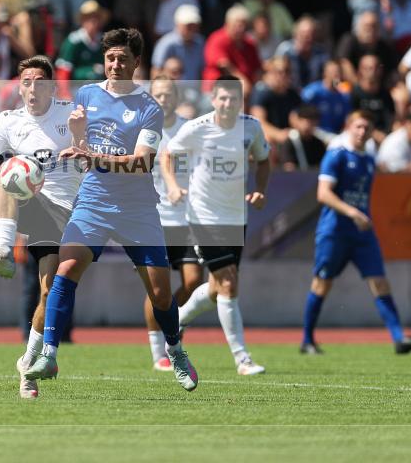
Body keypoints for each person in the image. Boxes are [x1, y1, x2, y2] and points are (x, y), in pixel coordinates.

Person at [24, 28, 199, 392]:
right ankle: (49, 354)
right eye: (110, 58)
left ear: (136, 63)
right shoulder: (87, 94)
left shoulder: (149, 108)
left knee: (161, 294)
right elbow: (79, 144)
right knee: (66, 268)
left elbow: (140, 163)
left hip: (137, 207)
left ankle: (177, 351)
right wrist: (75, 137)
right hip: (93, 199)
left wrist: (91, 154)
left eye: (123, 58)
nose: (115, 64)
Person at [0, 56, 82, 399]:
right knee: (9, 171)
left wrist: (84, 142)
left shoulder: (70, 113)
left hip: (67, 212)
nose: (31, 88)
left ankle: (27, 364)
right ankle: (3, 252)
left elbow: (94, 151)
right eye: (26, 81)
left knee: (49, 292)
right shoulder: (9, 120)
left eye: (39, 81)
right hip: (35, 205)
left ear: (51, 86)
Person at [159, 76, 271, 376]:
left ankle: (176, 323)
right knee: (229, 283)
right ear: (213, 99)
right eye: (222, 98)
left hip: (236, 218)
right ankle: (242, 358)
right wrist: (171, 185)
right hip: (203, 217)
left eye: (233, 99)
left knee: (216, 287)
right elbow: (167, 154)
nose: (228, 104)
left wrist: (260, 189)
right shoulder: (197, 128)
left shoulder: (251, 127)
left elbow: (263, 159)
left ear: (240, 101)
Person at [301, 110, 411, 355]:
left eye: (366, 128)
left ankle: (399, 338)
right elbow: (323, 194)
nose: (362, 132)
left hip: (362, 234)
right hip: (335, 231)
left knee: (380, 282)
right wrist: (352, 212)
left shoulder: (369, 160)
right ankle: (307, 340)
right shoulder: (336, 157)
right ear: (348, 127)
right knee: (322, 284)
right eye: (358, 126)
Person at [143, 76, 202, 372]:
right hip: (154, 217)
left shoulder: (189, 128)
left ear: (177, 98)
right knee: (157, 288)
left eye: (168, 94)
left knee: (193, 282)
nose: (163, 99)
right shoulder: (143, 130)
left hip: (187, 217)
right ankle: (159, 353)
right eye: (158, 94)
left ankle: (173, 330)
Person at [203, 5, 262, 96]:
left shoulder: (250, 43)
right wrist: (241, 82)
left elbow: (257, 68)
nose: (241, 29)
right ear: (227, 24)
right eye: (237, 25)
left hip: (246, 91)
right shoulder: (217, 39)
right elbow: (224, 64)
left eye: (244, 25)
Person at [335, 10, 398, 87]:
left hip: (378, 88)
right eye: (367, 26)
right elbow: (344, 63)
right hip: (350, 86)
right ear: (359, 27)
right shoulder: (349, 41)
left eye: (374, 26)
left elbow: (392, 71)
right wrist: (360, 87)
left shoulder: (384, 47)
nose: (370, 30)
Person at [250, 57, 301, 145]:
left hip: (288, 135)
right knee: (267, 140)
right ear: (270, 73)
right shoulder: (261, 92)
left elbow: (298, 117)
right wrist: (278, 134)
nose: (284, 75)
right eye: (279, 72)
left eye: (287, 71)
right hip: (271, 135)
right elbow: (258, 121)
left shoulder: (292, 94)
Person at [55, 0, 107, 82]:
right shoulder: (73, 41)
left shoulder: (104, 40)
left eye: (96, 17)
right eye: (89, 17)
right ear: (82, 20)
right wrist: (65, 94)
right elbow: (63, 71)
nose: (93, 21)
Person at [350, 54, 397, 142]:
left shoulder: (385, 94)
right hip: (360, 136)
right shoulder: (354, 93)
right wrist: (373, 133)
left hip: (384, 137)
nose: (373, 72)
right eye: (368, 68)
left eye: (376, 68)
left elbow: (390, 119)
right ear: (360, 70)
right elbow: (352, 120)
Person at [275, 16, 330, 90]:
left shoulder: (321, 53)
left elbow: (329, 76)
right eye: (304, 34)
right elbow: (277, 74)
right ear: (295, 34)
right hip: (290, 93)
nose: (308, 37)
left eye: (311, 33)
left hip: (315, 95)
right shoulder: (285, 50)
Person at [151, 5, 205, 81]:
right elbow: (156, 70)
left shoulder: (200, 42)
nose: (192, 28)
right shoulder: (166, 43)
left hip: (194, 90)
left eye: (194, 24)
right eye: (188, 25)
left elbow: (201, 70)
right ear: (178, 24)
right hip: (172, 90)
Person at [301, 60, 351, 137]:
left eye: (338, 71)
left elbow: (347, 119)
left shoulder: (343, 96)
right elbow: (300, 112)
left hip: (336, 135)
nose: (336, 74)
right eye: (333, 71)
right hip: (315, 133)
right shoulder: (313, 92)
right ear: (325, 73)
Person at [278, 105, 326, 171]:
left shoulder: (318, 144)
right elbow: (289, 168)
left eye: (312, 122)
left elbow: (322, 167)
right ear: (298, 121)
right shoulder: (289, 142)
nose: (308, 125)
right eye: (306, 121)